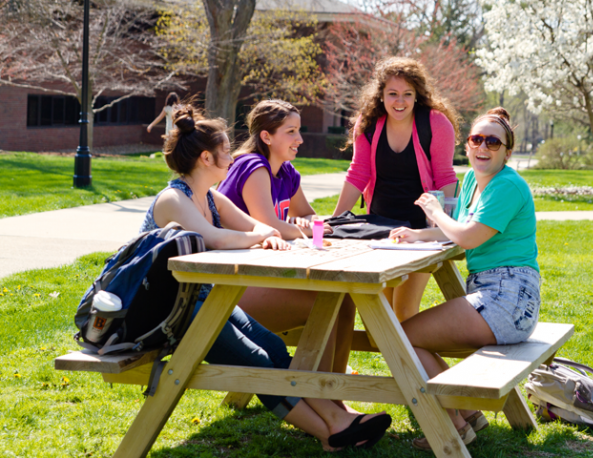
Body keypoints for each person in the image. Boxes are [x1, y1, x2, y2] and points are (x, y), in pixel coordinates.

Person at [140, 104, 392, 451]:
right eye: (226, 150)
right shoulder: (173, 199)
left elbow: (258, 225)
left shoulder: (209, 198)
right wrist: (264, 234)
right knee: (257, 362)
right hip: (167, 313)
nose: (232, 156)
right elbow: (217, 238)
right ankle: (331, 431)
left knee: (272, 346)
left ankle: (337, 418)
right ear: (205, 159)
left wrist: (267, 232)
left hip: (203, 298)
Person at [389, 107, 540, 450]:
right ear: (467, 145)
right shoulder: (473, 179)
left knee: (399, 339)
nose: (483, 147)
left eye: (493, 142)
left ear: (507, 151)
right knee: (404, 336)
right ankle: (469, 412)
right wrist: (418, 235)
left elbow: (467, 237)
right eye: (476, 139)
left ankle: (454, 426)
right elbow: (454, 231)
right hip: (495, 293)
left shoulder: (507, 186)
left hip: (508, 298)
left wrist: (435, 212)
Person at [217, 99, 356, 379]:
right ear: (266, 137)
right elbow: (268, 225)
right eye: (291, 131)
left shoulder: (287, 172)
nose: (300, 139)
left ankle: (333, 388)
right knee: (326, 306)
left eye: (299, 130)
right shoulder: (252, 166)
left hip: (262, 275)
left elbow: (311, 217)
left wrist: (299, 223)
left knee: (346, 299)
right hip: (230, 287)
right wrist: (297, 227)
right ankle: (318, 395)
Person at [332, 56, 460, 323]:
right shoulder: (367, 124)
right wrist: (335, 221)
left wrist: (445, 227)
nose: (399, 101)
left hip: (419, 229)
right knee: (381, 316)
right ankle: (405, 363)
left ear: (417, 96)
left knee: (403, 313)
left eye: (407, 94)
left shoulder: (436, 123)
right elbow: (358, 173)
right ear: (380, 95)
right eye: (392, 94)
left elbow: (445, 176)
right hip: (380, 227)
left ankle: (418, 364)